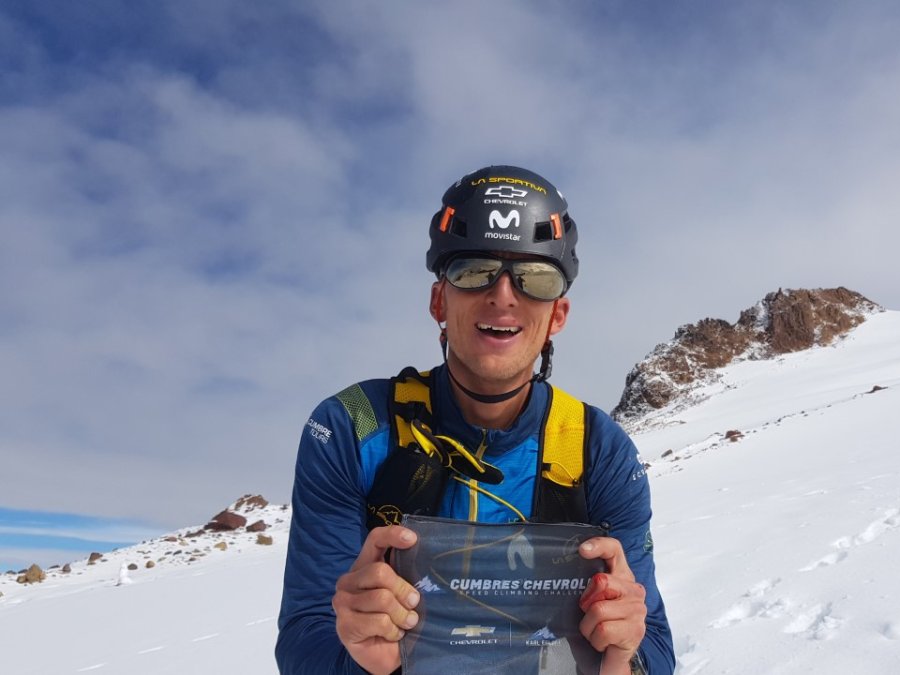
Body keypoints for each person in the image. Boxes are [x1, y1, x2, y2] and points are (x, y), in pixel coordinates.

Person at [275, 165, 673, 674]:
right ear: (439, 300)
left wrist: (624, 659)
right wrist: (365, 663)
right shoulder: (353, 428)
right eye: (472, 270)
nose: (503, 294)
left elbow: (653, 645)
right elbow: (306, 635)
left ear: (557, 315)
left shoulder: (598, 450)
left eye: (536, 278)